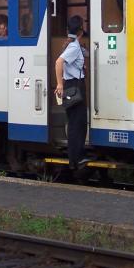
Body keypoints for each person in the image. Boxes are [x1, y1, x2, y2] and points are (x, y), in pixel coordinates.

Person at [54, 15, 89, 172]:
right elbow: (58, 62)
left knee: (75, 123)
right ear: (81, 30)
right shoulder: (74, 47)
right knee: (77, 124)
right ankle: (76, 159)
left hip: (73, 85)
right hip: (74, 86)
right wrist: (59, 84)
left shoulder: (73, 45)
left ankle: (75, 159)